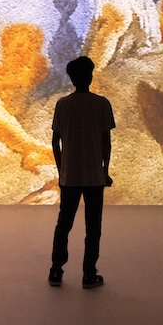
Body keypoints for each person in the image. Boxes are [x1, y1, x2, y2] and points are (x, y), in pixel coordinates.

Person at [49, 56, 115, 289]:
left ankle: (56, 270)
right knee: (93, 227)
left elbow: (55, 141)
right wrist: (105, 170)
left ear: (71, 78)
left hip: (70, 176)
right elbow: (106, 143)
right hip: (94, 177)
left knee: (64, 224)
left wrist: (62, 170)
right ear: (90, 76)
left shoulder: (63, 104)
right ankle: (89, 273)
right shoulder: (102, 104)